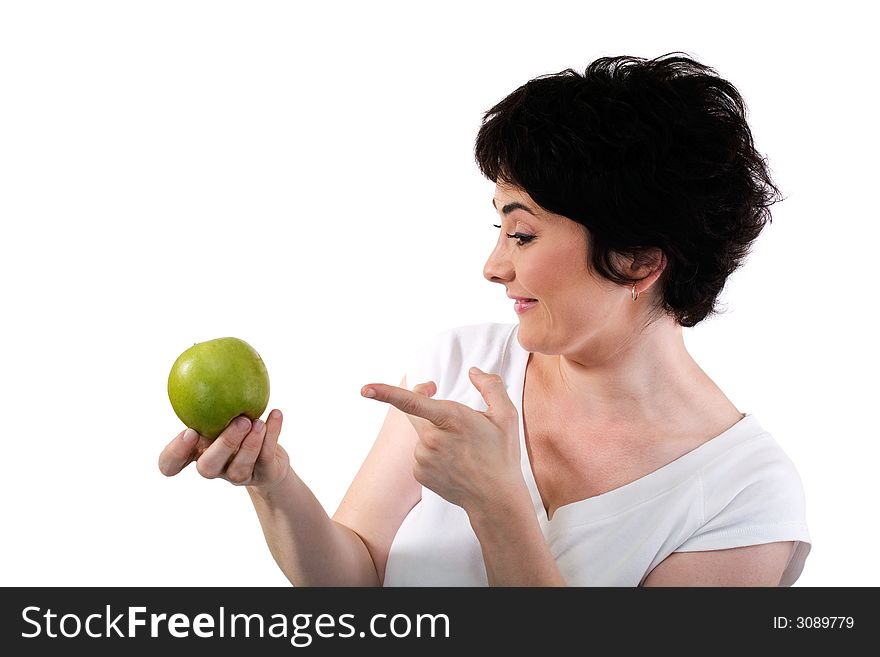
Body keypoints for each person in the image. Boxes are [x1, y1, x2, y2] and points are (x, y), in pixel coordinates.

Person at [158, 52, 811, 586]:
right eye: (498, 226)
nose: (493, 266)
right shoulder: (459, 366)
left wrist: (499, 507)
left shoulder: (745, 493)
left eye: (522, 234)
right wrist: (272, 481)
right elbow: (353, 579)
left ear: (638, 260)